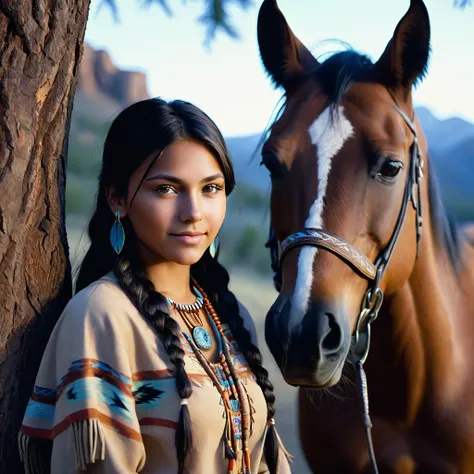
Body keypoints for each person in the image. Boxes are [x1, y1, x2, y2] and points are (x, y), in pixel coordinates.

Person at [18, 98, 292, 474]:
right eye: (166, 189)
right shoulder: (101, 314)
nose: (194, 212)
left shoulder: (231, 315)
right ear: (118, 198)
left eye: (210, 188)